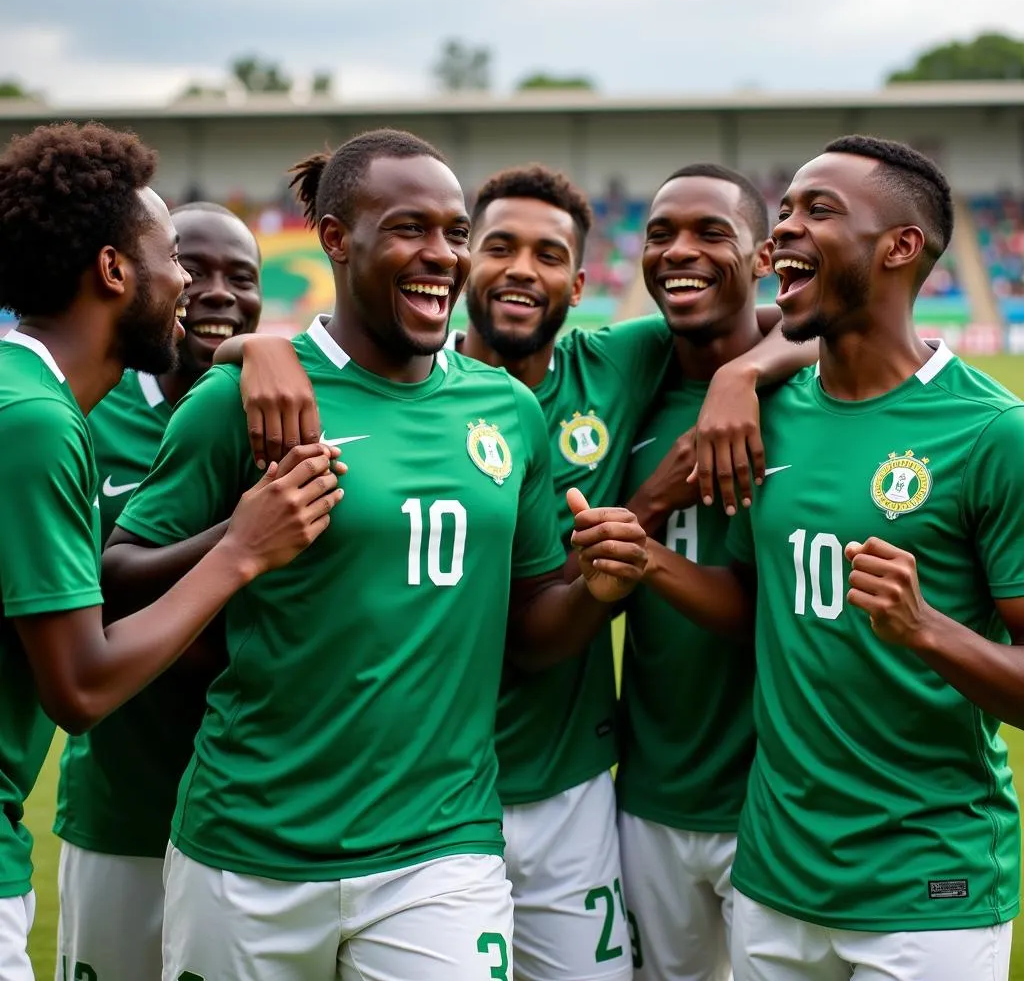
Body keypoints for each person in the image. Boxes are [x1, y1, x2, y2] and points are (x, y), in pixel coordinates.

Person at [230, 161, 810, 981]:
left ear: (578, 285)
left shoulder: (615, 368)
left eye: (547, 256)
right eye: (497, 246)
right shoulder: (390, 392)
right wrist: (255, 343)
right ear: (469, 264)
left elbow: (813, 320)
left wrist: (740, 373)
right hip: (401, 795)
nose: (519, 271)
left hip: (563, 783)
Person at [101, 129, 649, 981]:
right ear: (333, 239)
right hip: (248, 844)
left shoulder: (506, 410)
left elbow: (531, 631)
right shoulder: (241, 401)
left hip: (442, 849)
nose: (442, 256)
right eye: (409, 229)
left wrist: (597, 592)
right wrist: (240, 543)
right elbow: (115, 581)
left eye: (455, 232)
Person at [656, 136, 1024, 981]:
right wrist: (647, 561)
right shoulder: (768, 416)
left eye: (816, 210)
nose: (781, 230)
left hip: (927, 891)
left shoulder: (992, 434)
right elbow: (759, 605)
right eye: (782, 211)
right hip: (775, 882)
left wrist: (926, 629)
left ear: (900, 246)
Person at [0, 122, 341, 979]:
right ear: (116, 271)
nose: (189, 283)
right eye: (174, 257)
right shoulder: (36, 423)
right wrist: (242, 549)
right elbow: (81, 687)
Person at [53, 202, 265, 981]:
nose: (216, 291)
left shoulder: (278, 416)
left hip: (258, 809)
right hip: (125, 802)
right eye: (195, 267)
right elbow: (87, 604)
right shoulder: (87, 413)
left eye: (241, 278)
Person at [616, 164, 774, 981]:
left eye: (712, 232)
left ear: (764, 255)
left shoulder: (816, 392)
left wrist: (745, 372)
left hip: (777, 805)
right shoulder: (624, 388)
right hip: (650, 797)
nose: (680, 251)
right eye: (659, 233)